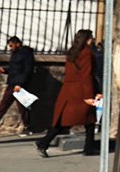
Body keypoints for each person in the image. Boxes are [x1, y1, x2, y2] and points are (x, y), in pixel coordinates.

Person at [35, 29, 100, 157]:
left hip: (68, 90)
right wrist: (89, 95)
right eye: (91, 38)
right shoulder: (86, 53)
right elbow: (86, 75)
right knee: (87, 120)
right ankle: (44, 142)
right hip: (81, 90)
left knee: (69, 120)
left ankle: (88, 147)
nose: (92, 40)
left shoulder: (72, 52)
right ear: (87, 39)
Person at [0, 36, 35, 137]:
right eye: (9, 46)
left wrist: (20, 84)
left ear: (18, 44)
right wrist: (5, 70)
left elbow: (27, 70)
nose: (10, 48)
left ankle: (27, 128)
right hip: (12, 83)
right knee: (4, 106)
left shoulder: (26, 54)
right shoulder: (15, 54)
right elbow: (15, 69)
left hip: (18, 85)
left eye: (11, 45)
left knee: (21, 108)